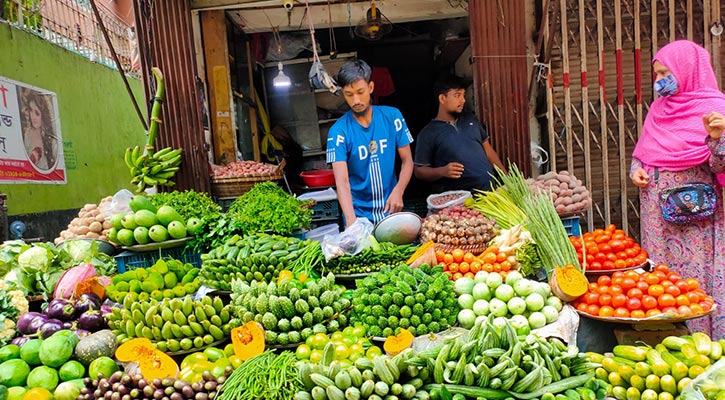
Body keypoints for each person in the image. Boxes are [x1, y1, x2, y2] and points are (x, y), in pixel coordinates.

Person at [630, 40, 725, 339]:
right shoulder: (659, 109)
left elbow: (720, 165)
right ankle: (671, 342)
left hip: (698, 218)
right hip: (659, 218)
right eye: (656, 75)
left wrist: (717, 138)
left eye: (663, 74)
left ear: (687, 70)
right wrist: (637, 171)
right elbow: (642, 152)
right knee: (664, 279)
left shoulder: (716, 109)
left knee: (699, 278)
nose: (658, 81)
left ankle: (706, 341)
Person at [325, 59, 414, 226]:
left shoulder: (393, 117)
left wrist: (399, 191)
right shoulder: (338, 132)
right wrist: (352, 222)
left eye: (360, 91)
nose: (356, 100)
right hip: (358, 215)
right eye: (349, 94)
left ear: (371, 87)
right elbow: (342, 182)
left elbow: (407, 161)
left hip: (392, 211)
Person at [414, 75, 505, 193]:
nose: (463, 100)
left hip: (491, 193)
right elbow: (419, 171)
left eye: (463, 95)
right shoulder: (428, 133)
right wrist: (442, 171)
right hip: (461, 203)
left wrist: (506, 177)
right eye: (457, 95)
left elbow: (488, 150)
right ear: (442, 98)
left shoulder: (471, 120)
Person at [21, 90, 57, 171]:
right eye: (30, 110)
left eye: (37, 113)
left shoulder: (51, 140)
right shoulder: (27, 134)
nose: (33, 117)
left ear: (43, 114)